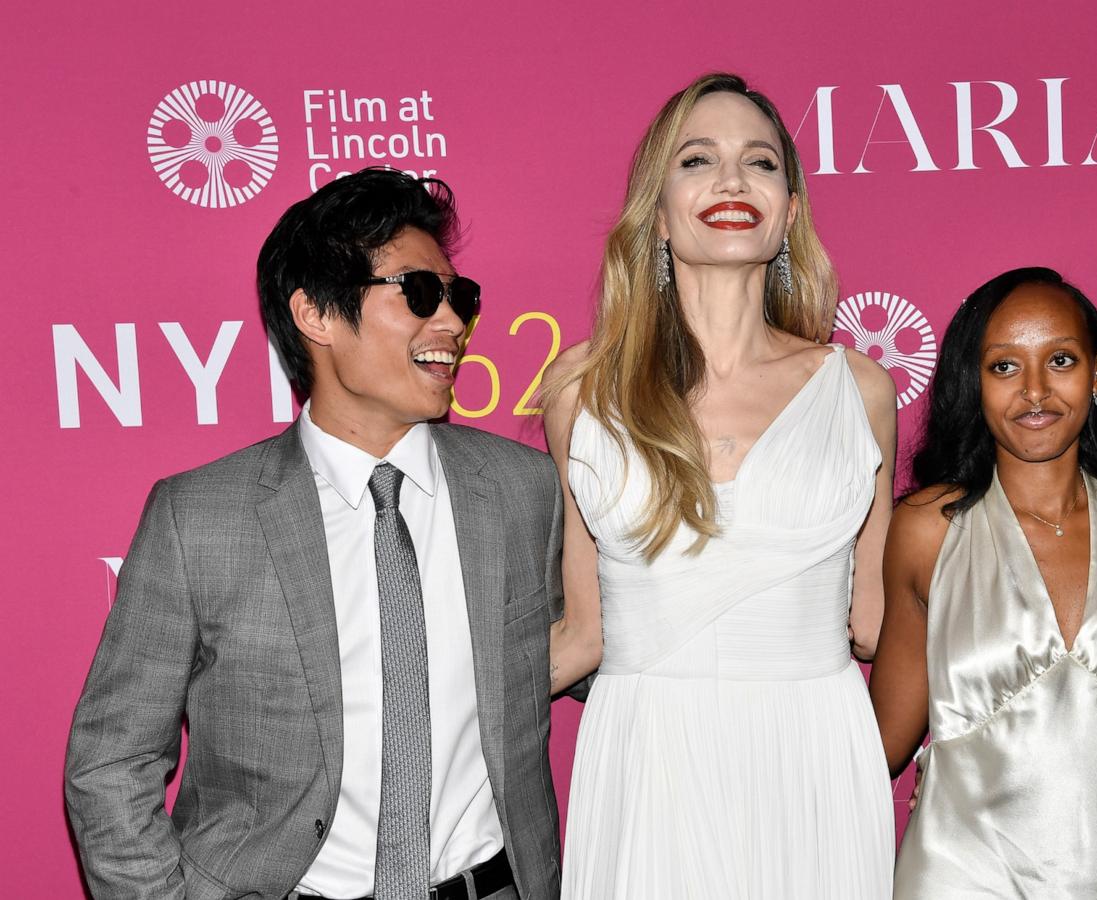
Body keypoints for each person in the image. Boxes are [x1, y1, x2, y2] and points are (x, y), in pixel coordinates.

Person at [65, 168, 565, 900]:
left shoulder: (524, 491)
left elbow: (597, 647)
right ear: (316, 315)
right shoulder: (199, 518)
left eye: (460, 297)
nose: (454, 323)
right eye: (419, 293)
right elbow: (111, 760)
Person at [542, 73, 898, 899]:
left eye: (761, 163)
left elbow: (876, 623)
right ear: (657, 212)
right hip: (647, 759)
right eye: (697, 160)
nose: (733, 182)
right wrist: (402, 711)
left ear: (791, 210)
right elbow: (583, 632)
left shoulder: (859, 390)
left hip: (814, 758)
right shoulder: (581, 389)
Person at [871, 267, 1097, 899]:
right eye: (1005, 367)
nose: (1035, 392)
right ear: (975, 381)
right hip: (960, 881)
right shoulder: (927, 529)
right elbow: (881, 742)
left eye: (1061, 360)